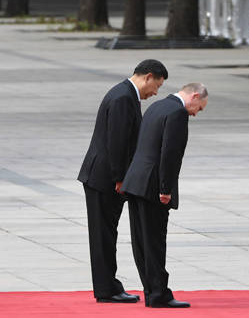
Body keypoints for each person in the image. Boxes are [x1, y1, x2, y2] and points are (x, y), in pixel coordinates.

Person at [77, 59, 168, 303]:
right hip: (104, 178)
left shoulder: (125, 94)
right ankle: (107, 289)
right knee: (103, 235)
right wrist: (120, 179)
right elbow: (116, 142)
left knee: (107, 233)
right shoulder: (123, 98)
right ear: (148, 76)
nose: (156, 93)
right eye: (157, 86)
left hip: (105, 176)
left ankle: (109, 285)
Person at [121, 83, 208, 308]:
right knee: (155, 242)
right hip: (152, 187)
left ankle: (151, 290)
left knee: (141, 241)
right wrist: (165, 189)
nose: (197, 113)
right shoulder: (177, 113)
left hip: (136, 181)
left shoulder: (156, 106)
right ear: (195, 95)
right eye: (200, 107)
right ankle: (159, 293)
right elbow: (170, 154)